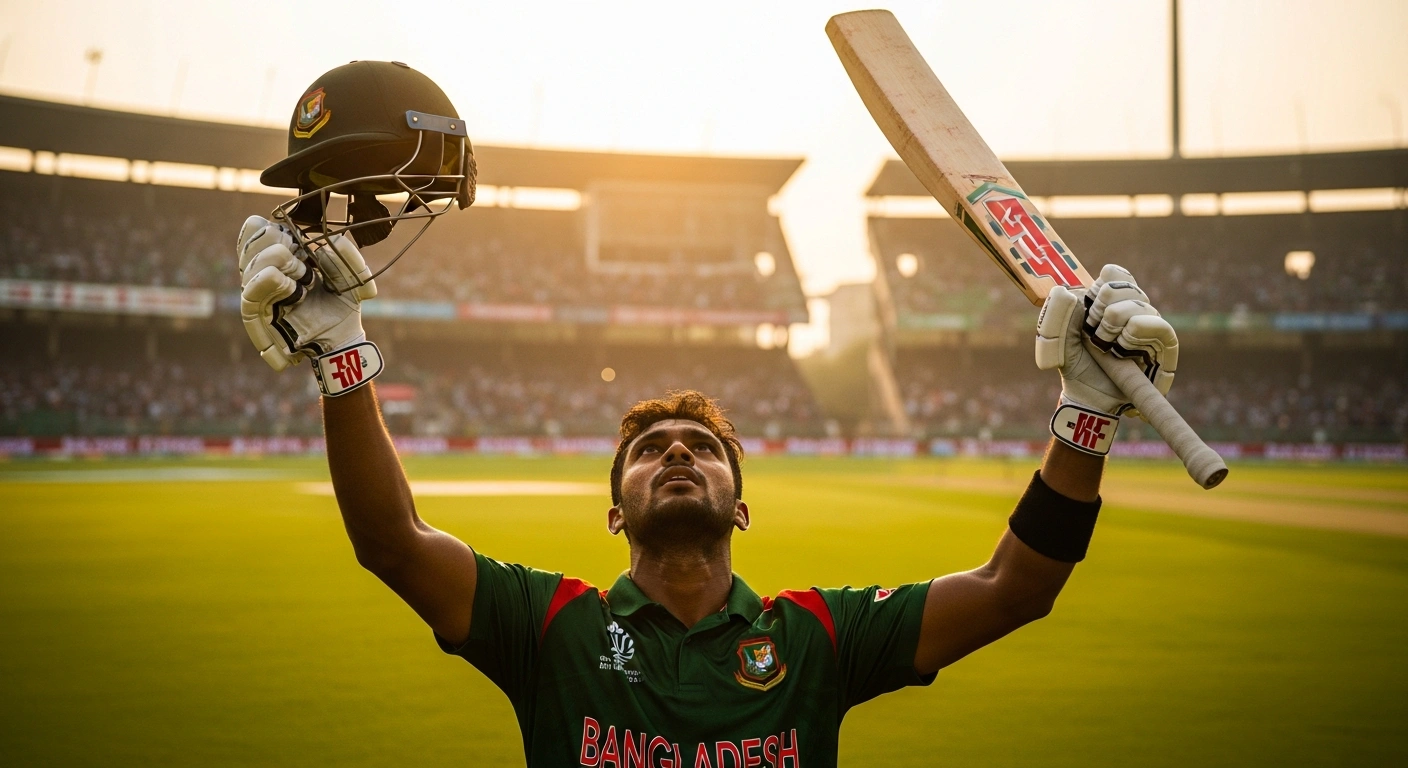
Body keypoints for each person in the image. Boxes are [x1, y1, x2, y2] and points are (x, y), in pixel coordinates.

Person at [240, 62, 1179, 768]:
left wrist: (1084, 416)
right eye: (650, 450)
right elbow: (394, 543)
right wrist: (341, 354)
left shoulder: (815, 638)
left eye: (702, 448)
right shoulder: (552, 628)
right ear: (616, 511)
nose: (677, 455)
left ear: (740, 504)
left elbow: (1016, 589)